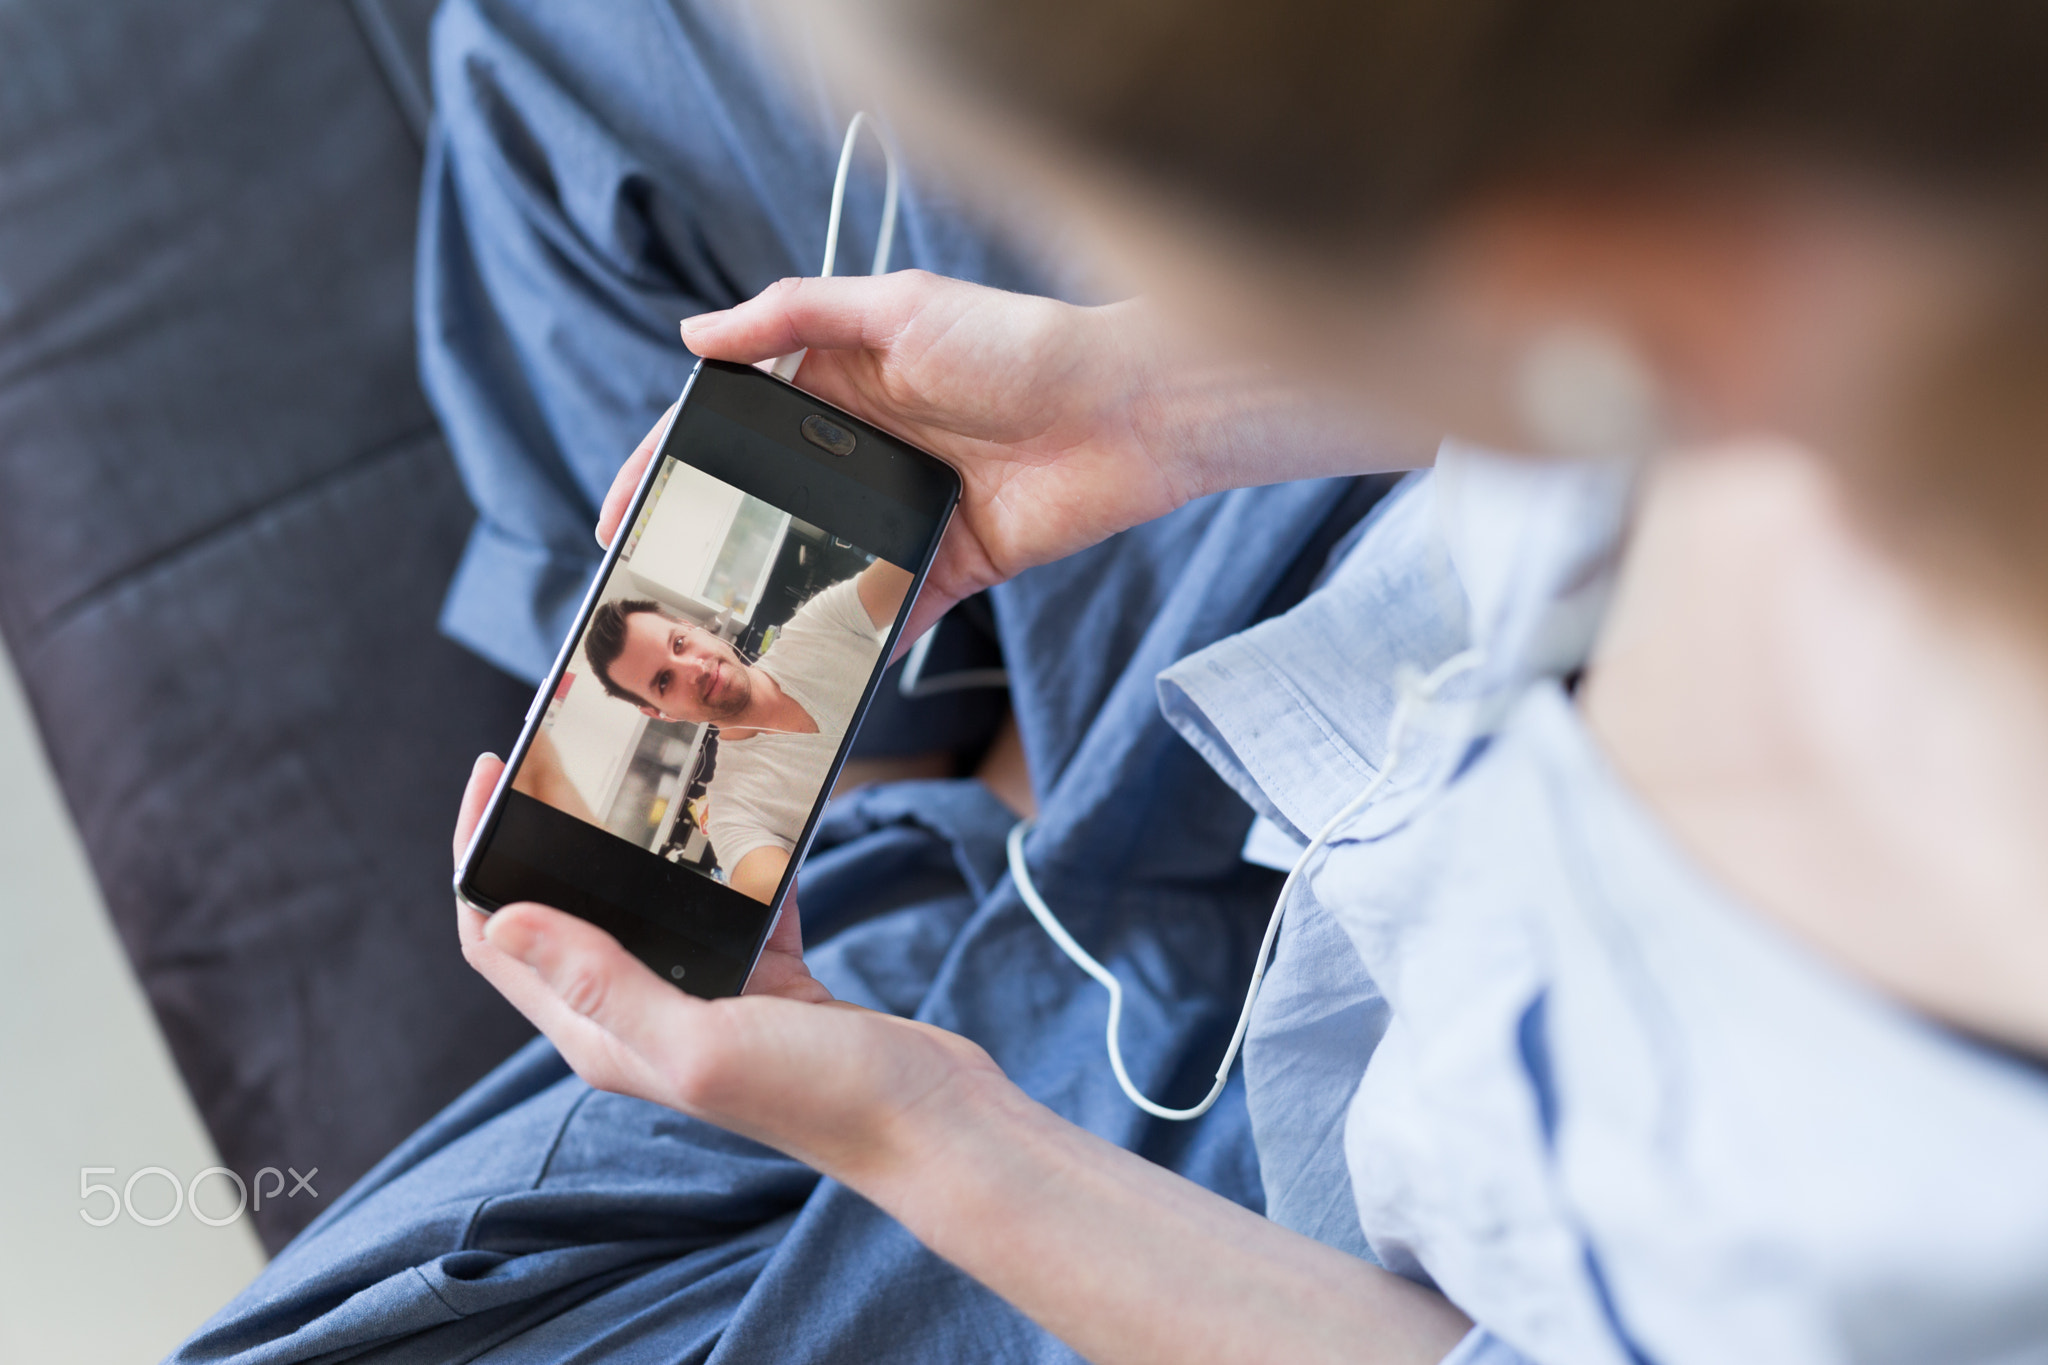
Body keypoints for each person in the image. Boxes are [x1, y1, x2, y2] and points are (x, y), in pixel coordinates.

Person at [174, 1, 2048, 1363]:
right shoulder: (1879, 250)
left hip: (1235, 1127)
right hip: (1341, 637)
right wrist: (1162, 395)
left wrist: (920, 1128)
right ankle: (907, 774)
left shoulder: (1890, 1212)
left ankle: (915, 808)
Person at [581, 559, 913, 900]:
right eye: (664, 680)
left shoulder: (821, 625)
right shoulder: (733, 814)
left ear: (691, 627)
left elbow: (922, 560)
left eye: (679, 643)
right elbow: (783, 899)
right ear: (659, 712)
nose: (695, 669)